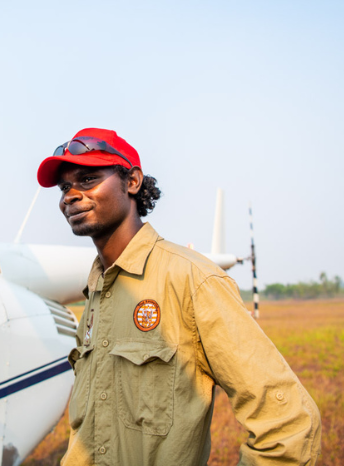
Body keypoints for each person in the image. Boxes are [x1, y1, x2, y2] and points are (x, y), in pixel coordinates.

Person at [36, 127, 321, 465]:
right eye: (65, 187)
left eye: (87, 180)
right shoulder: (97, 287)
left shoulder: (191, 280)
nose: (69, 195)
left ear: (132, 182)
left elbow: (289, 424)